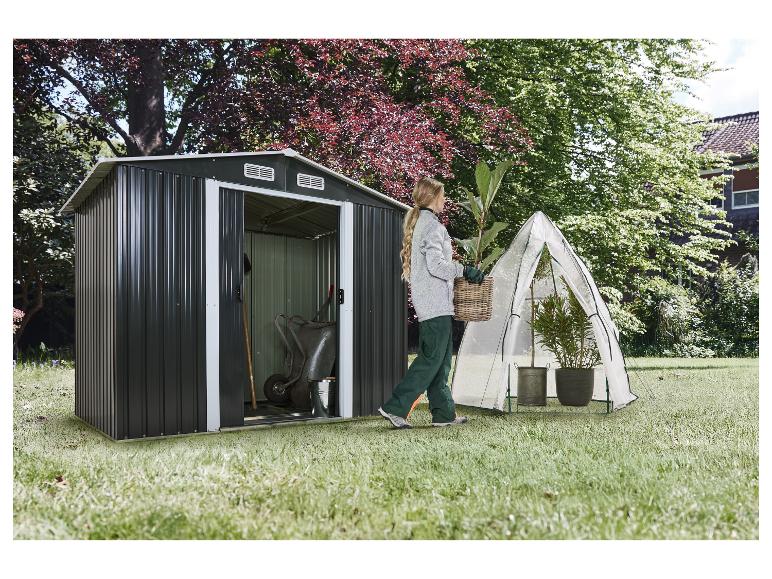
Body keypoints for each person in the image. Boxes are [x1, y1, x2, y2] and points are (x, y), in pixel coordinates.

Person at [379, 177, 485, 429]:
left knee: (441, 361)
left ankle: (443, 414)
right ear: (433, 197)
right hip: (436, 304)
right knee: (430, 359)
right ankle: (394, 407)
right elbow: (437, 266)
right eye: (443, 196)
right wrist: (464, 270)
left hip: (433, 304)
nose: (445, 200)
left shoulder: (423, 224)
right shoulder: (432, 227)